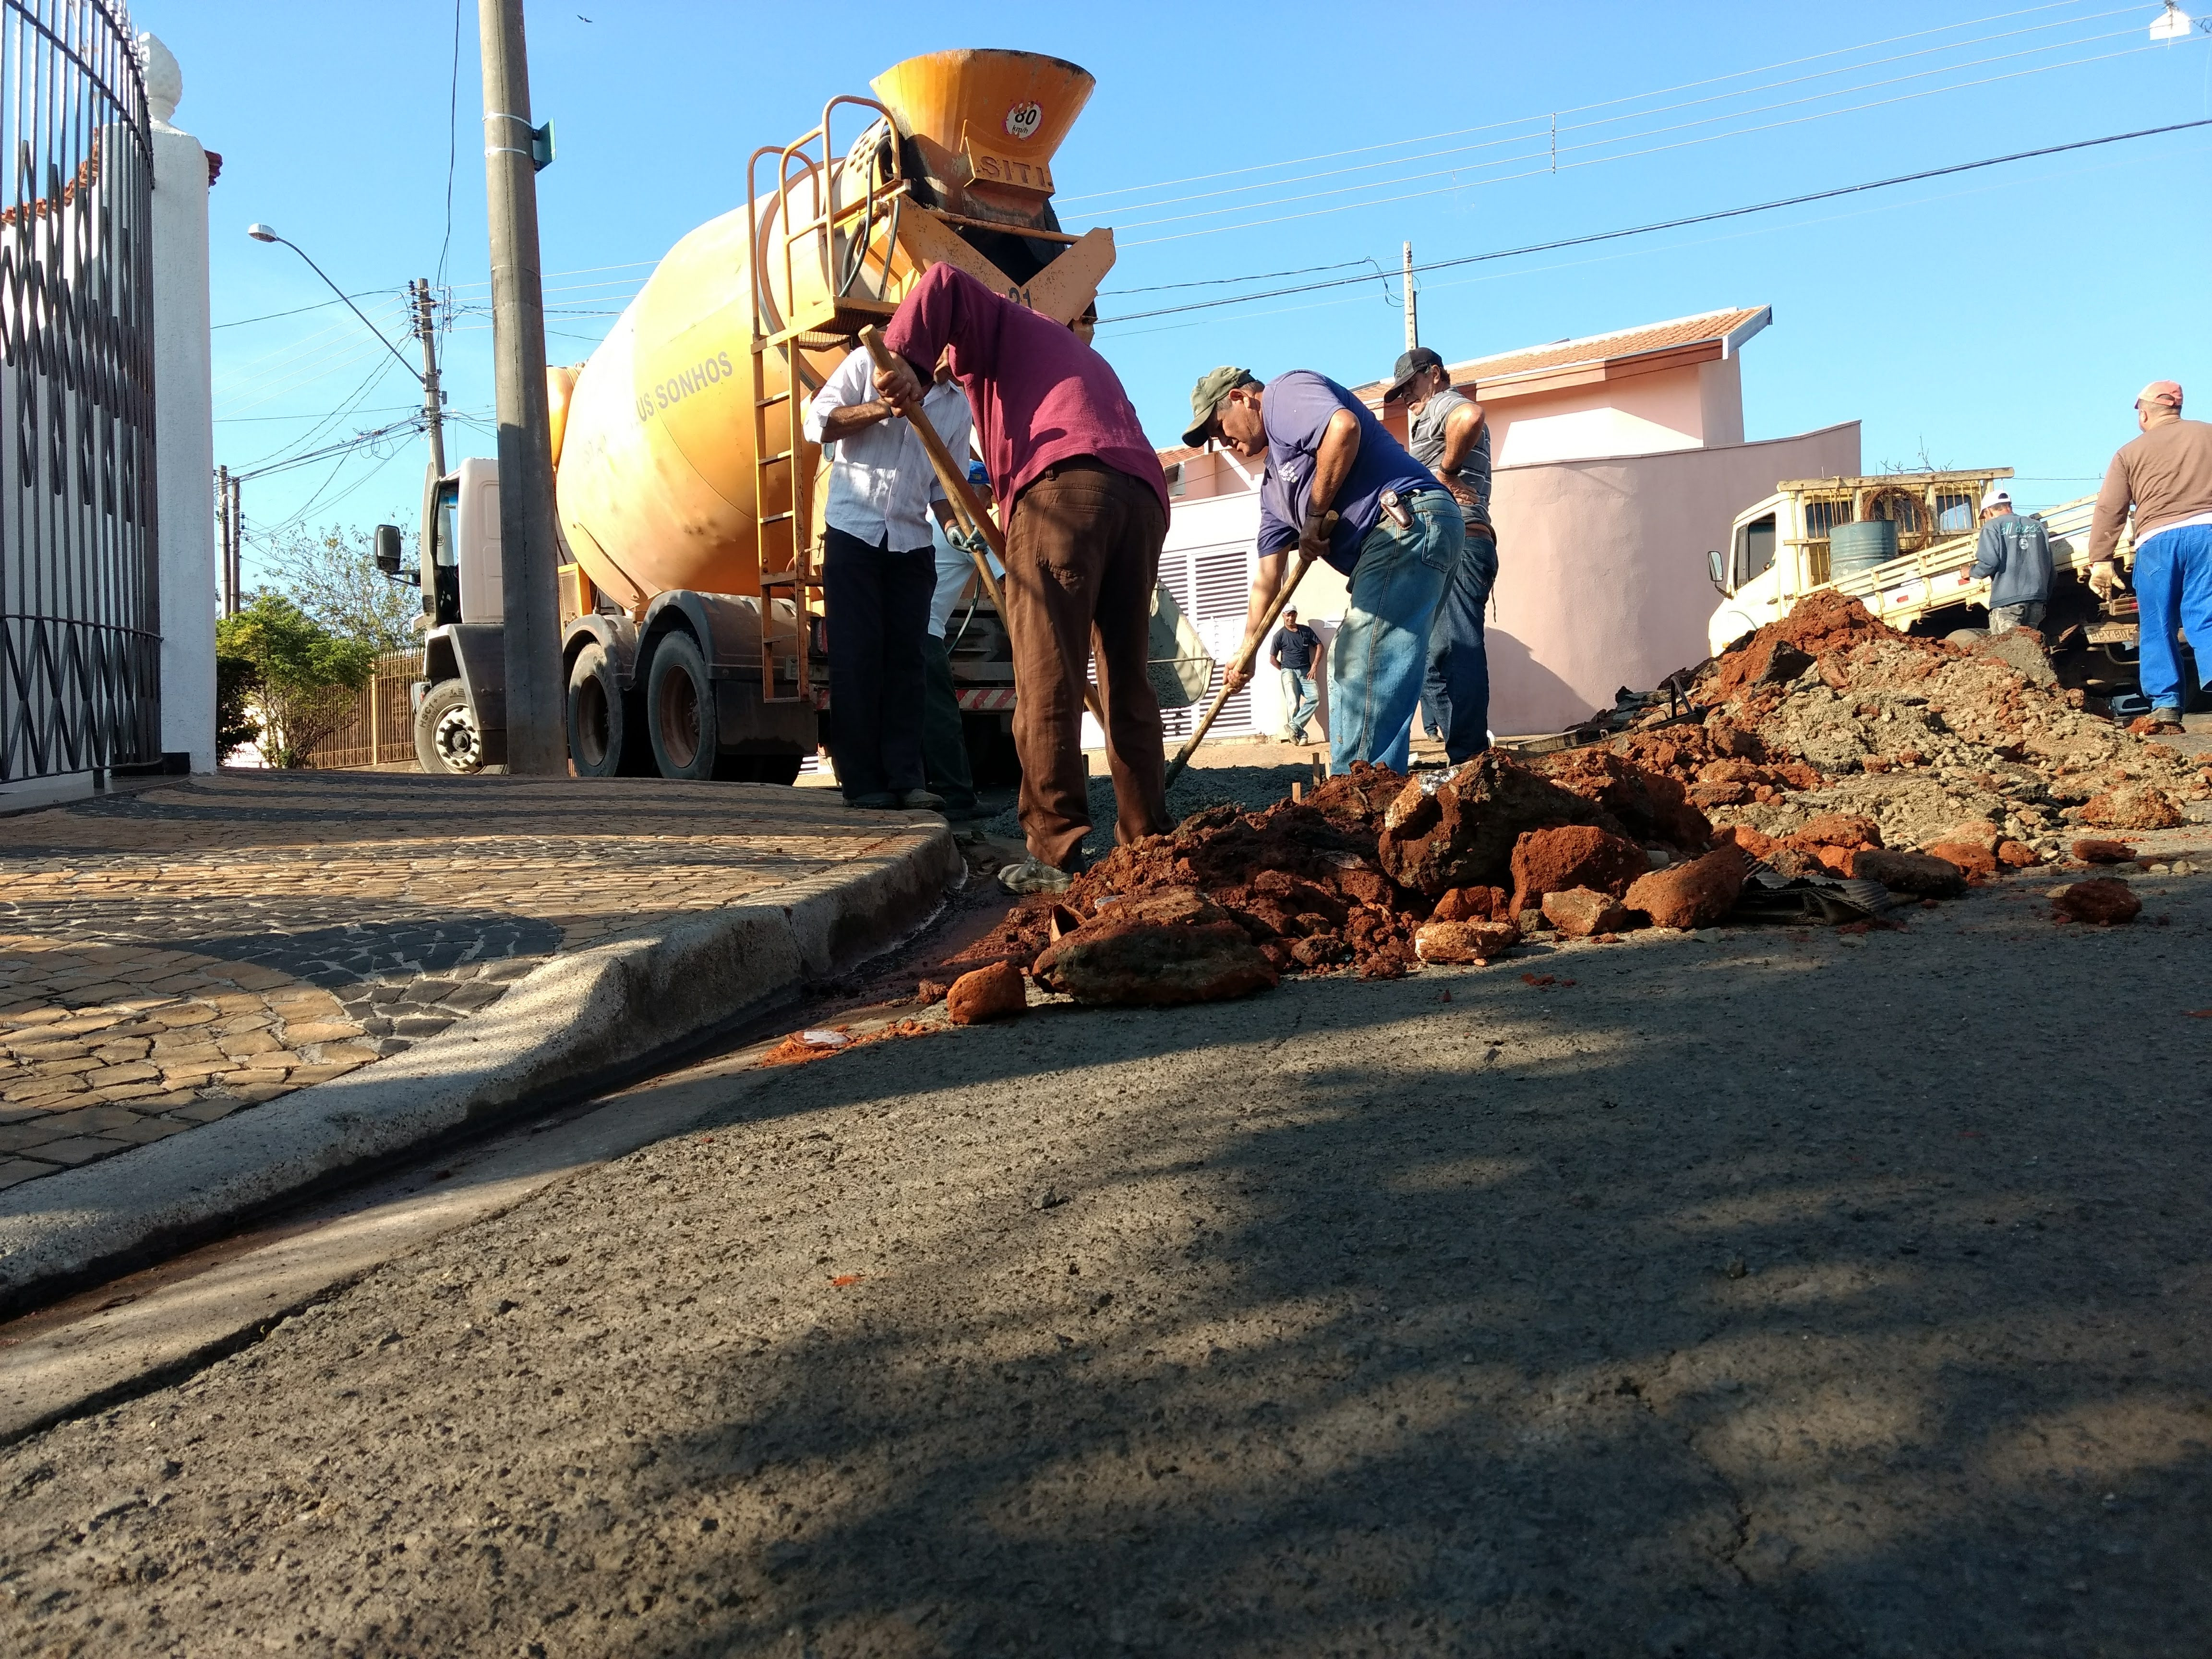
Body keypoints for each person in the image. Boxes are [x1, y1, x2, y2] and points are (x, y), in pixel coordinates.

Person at [874, 263, 1172, 892]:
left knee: (1046, 683)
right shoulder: (1067, 354)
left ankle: (1054, 855)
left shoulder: (1002, 324)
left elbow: (945, 280)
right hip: (1142, 497)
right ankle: (1148, 846)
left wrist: (906, 359)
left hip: (1063, 490)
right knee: (1126, 683)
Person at [1183, 365, 1462, 775]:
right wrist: (1247, 650)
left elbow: (1343, 428)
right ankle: (1375, 783)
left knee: (1359, 662)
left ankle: (1358, 792)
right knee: (1380, 666)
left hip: (1407, 519)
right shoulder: (1274, 492)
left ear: (1242, 399)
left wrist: (1315, 516)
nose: (1223, 442)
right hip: (1414, 534)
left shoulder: (1283, 393)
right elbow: (1267, 579)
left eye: (1219, 427)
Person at [803, 344, 973, 809]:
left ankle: (907, 780)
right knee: (857, 660)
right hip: (853, 533)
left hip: (912, 541)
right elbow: (818, 423)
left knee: (907, 663)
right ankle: (864, 785)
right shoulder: (869, 363)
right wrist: (883, 407)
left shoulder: (957, 404)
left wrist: (957, 528)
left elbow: (943, 482)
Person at [1384, 346, 1498, 762]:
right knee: (1432, 656)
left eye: (1409, 386)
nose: (1406, 399)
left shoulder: (1444, 404)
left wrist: (1446, 472)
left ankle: (1470, 756)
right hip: (1452, 546)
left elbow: (1471, 417)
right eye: (1399, 393)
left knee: (1457, 647)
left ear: (1434, 374)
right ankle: (1463, 755)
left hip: (1462, 542)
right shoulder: (1429, 416)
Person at [2088, 380, 2212, 735]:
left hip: (2157, 541)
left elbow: (2111, 507)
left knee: (2158, 625)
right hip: (2209, 534)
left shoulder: (2130, 453)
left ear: (2144, 413)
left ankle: (2167, 707)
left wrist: (2101, 559)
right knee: (2207, 615)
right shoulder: (2208, 435)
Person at [920, 461, 998, 819]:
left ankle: (912, 793)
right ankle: (958, 800)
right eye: (988, 495)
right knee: (941, 716)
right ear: (975, 492)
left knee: (909, 716)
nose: (992, 504)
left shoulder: (929, 518)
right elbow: (1009, 584)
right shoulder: (970, 528)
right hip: (925, 633)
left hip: (902, 630)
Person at [1970, 486, 2052, 635]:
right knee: (2029, 648)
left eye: (1985, 516)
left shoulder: (1992, 527)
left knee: (2009, 651)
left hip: (2007, 603)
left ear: (1989, 511)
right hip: (2037, 601)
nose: (1986, 520)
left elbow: (1989, 564)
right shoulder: (2037, 527)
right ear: (2009, 506)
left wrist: (1970, 571)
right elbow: (2050, 569)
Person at [1269, 606, 1322, 745]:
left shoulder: (1306, 631)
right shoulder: (1279, 635)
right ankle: (1301, 736)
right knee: (1293, 703)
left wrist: (1315, 666)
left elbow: (1319, 646)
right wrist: (1285, 671)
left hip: (1306, 671)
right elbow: (1272, 659)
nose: (1290, 618)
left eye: (1293, 615)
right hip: (1289, 671)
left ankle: (1293, 726)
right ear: (1283, 616)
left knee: (1315, 697)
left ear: (1296, 615)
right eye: (1288, 615)